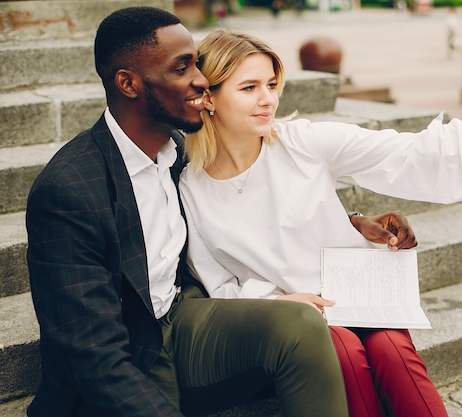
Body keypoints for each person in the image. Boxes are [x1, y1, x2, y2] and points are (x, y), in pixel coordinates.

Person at [25, 7, 413, 417]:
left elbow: (244, 203)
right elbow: (91, 353)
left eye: (195, 62)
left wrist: (350, 221)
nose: (200, 79)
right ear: (129, 83)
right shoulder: (67, 190)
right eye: (182, 68)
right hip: (126, 346)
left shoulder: (176, 154)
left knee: (301, 323)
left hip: (183, 315)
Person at [179, 29, 462, 417]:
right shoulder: (190, 187)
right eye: (249, 87)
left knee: (392, 350)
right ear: (209, 96)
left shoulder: (302, 142)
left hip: (354, 291)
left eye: (272, 84)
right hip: (291, 319)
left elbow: (409, 152)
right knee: (344, 350)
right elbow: (218, 285)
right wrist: (278, 306)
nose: (268, 99)